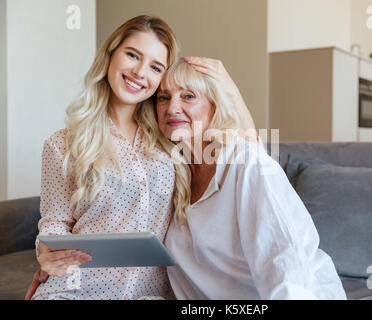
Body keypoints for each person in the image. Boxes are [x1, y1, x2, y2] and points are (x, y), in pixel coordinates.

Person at [25, 15, 255, 300]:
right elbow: (55, 224)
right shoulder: (62, 143)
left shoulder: (173, 139)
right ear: (111, 55)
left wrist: (230, 90)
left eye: (156, 67)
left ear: (161, 79)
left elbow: (252, 159)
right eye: (132, 55)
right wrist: (48, 255)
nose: (140, 72)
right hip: (76, 290)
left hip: (150, 294)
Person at [155, 59, 347, 299]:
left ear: (215, 107)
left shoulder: (246, 164)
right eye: (163, 98)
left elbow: (283, 263)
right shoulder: (171, 174)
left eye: (188, 96)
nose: (172, 108)